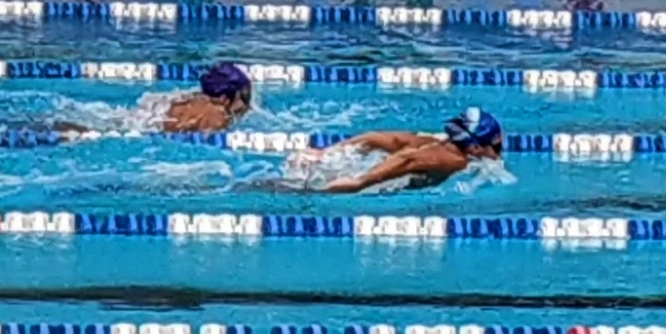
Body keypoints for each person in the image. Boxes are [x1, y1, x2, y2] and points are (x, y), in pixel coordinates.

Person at [291, 107, 504, 193]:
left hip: (373, 166)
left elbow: (373, 138)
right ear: (475, 147)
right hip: (371, 176)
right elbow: (408, 159)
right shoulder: (454, 161)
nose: (499, 151)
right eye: (495, 146)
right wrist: (359, 182)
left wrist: (326, 153)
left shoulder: (434, 140)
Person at [53, 62, 252, 134]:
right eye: (243, 97)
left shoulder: (193, 97)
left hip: (140, 120)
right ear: (224, 98)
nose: (247, 105)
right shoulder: (216, 115)